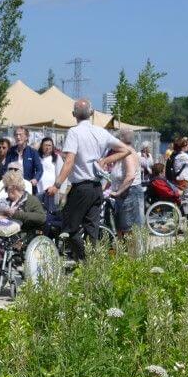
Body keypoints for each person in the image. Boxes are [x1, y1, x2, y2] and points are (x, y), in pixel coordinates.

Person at [46, 98, 134, 261]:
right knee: (91, 230)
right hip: (96, 188)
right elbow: (126, 149)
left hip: (81, 188)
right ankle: (91, 263)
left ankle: (85, 260)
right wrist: (106, 160)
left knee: (68, 229)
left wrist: (57, 185)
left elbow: (70, 161)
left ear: (74, 115)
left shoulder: (74, 132)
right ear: (92, 113)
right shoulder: (100, 132)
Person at [108, 129, 144, 238]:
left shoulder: (128, 153)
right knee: (122, 228)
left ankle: (131, 254)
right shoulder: (123, 153)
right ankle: (124, 252)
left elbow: (130, 176)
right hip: (126, 194)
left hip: (129, 193)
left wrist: (118, 192)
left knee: (128, 230)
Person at [6, 126, 43, 192]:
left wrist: (35, 179)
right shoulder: (10, 151)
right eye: (16, 135)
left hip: (28, 186)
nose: (18, 137)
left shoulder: (33, 152)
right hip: (14, 187)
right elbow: (5, 168)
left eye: (20, 135)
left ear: (26, 137)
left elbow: (39, 170)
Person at [37, 137, 65, 211]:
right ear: (41, 146)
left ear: (52, 147)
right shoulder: (37, 157)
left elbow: (62, 174)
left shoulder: (56, 158)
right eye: (45, 145)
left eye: (49, 145)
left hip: (52, 190)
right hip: (38, 190)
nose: (47, 147)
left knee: (51, 212)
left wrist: (61, 191)